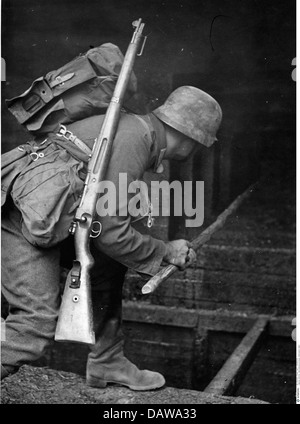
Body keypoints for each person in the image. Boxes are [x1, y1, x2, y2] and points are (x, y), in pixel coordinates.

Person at [1, 86, 222, 390]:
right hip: (19, 219)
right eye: (200, 145)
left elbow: (106, 228)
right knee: (34, 325)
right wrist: (166, 251)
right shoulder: (135, 140)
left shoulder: (137, 131)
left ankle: (108, 362)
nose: (198, 152)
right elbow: (112, 232)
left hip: (41, 216)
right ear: (189, 137)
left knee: (107, 263)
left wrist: (155, 250)